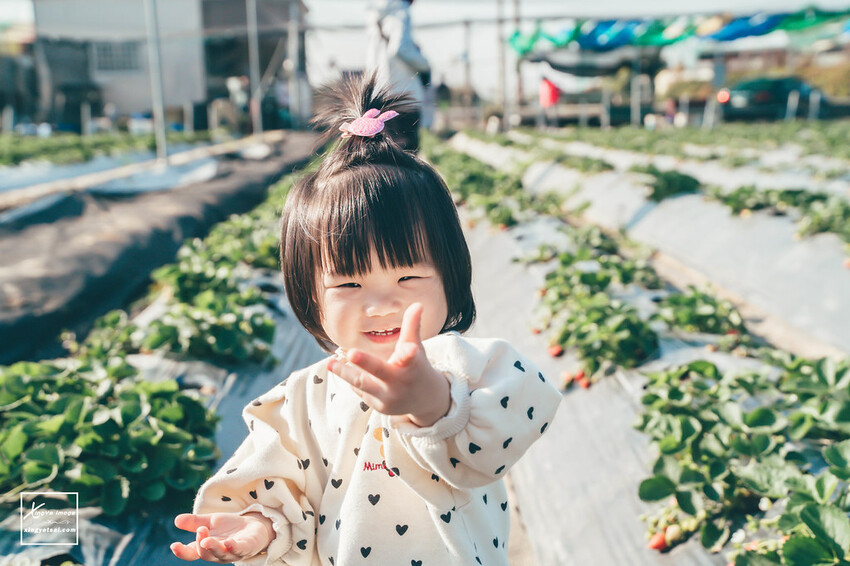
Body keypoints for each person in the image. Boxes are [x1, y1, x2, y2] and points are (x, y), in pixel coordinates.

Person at [169, 73, 561, 566]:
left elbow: (498, 441)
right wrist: (256, 526)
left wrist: (433, 404)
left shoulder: (469, 371)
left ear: (450, 276)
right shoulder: (300, 400)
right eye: (349, 285)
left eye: (408, 278)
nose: (380, 306)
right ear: (310, 295)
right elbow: (282, 491)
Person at [365, 0, 431, 151]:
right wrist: (425, 65)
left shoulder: (374, 13)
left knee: (390, 150)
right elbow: (401, 48)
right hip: (404, 93)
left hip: (381, 93)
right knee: (408, 150)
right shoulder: (399, 11)